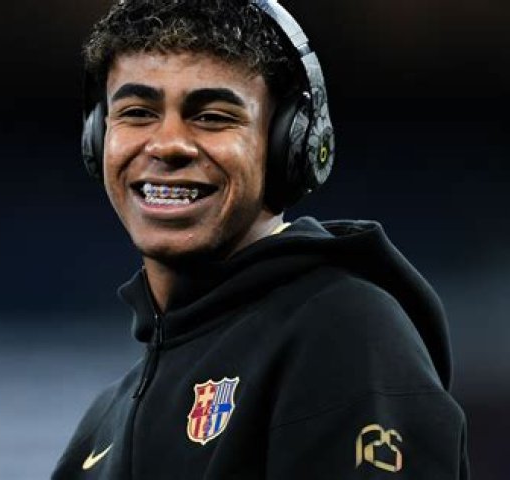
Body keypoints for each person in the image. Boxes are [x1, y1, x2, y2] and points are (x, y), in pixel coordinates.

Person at [52, 0, 469, 478]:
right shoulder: (101, 427)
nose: (167, 144)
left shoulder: (342, 332)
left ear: (289, 144)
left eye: (212, 116)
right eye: (137, 112)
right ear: (97, 136)